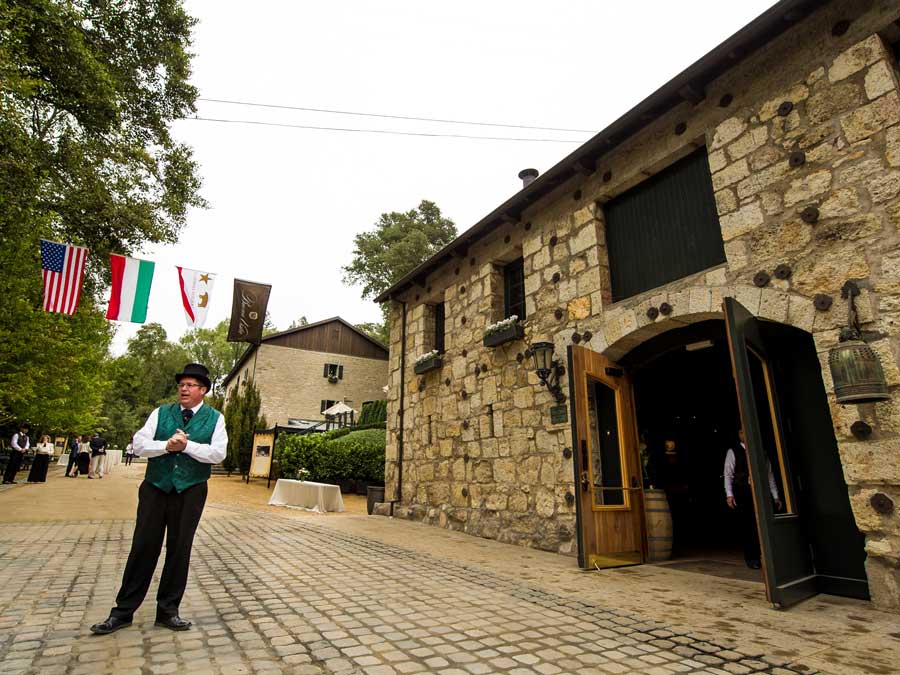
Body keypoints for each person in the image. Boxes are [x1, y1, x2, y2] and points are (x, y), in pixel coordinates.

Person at [90, 363, 226, 635]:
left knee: (179, 549)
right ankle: (123, 611)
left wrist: (187, 446)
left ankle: (168, 611)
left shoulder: (216, 418)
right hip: (155, 487)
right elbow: (139, 445)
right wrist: (166, 445)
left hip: (191, 490)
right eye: (181, 385)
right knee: (143, 546)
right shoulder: (161, 413)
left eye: (190, 385)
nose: (183, 389)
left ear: (203, 390)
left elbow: (218, 453)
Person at [724, 429, 783, 569]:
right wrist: (729, 494)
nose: (745, 434)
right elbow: (728, 474)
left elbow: (769, 475)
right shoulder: (733, 451)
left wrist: (775, 496)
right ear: (739, 435)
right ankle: (752, 559)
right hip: (743, 492)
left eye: (746, 432)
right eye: (742, 432)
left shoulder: (761, 451)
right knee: (748, 525)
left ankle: (770, 558)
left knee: (764, 525)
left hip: (761, 492)